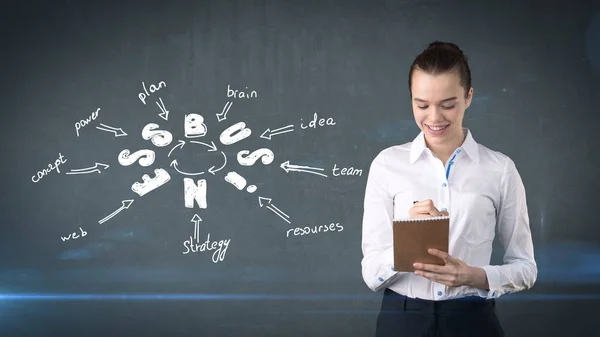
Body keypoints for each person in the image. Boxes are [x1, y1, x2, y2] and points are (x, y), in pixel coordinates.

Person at [360, 41, 537, 337]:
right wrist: (409, 238)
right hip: (402, 321)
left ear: (468, 97)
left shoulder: (500, 169)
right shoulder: (387, 165)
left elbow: (526, 268)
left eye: (447, 104)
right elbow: (371, 275)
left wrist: (474, 276)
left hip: (472, 320)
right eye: (422, 105)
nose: (434, 118)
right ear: (411, 100)